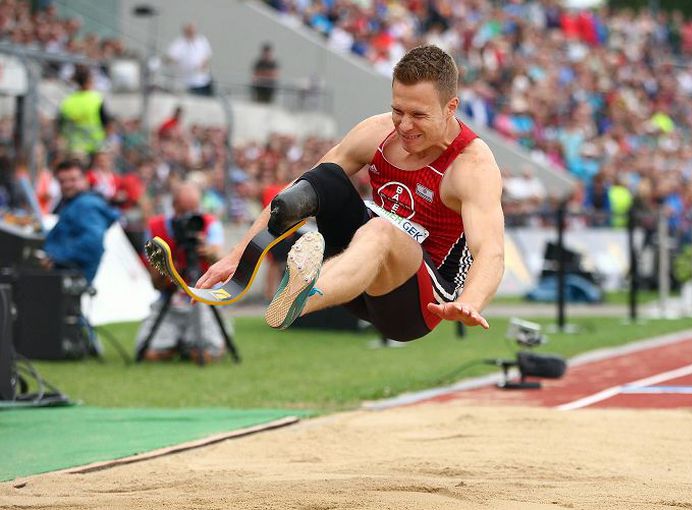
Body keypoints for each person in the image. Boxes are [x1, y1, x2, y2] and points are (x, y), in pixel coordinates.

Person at [197, 45, 504, 342]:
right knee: (325, 177)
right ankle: (289, 283)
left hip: (415, 306)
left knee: (383, 231)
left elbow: (491, 251)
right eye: (398, 110)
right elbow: (302, 189)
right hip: (356, 276)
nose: (405, 125)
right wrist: (238, 255)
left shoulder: (471, 165)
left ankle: (301, 299)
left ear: (451, 108)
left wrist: (471, 302)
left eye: (418, 115)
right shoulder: (378, 132)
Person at [135, 181, 229, 363]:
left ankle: (195, 341)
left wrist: (208, 251)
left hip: (203, 298)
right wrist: (170, 268)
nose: (189, 218)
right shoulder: (156, 228)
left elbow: (223, 261)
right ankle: (182, 341)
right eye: (184, 211)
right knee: (149, 354)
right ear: (173, 206)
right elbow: (155, 283)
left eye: (194, 210)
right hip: (170, 300)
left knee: (208, 354)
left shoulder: (209, 224)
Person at [41, 160, 119, 284]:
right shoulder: (74, 203)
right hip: (67, 279)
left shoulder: (85, 205)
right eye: (62, 181)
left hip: (71, 281)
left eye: (73, 180)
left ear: (85, 179)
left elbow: (93, 243)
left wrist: (55, 256)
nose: (67, 185)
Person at [58, 66, 111, 157]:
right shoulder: (96, 99)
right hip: (95, 146)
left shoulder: (68, 101)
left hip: (74, 147)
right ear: (88, 82)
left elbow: (61, 126)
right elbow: (106, 123)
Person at [166, 23, 213, 96]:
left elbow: (206, 57)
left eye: (193, 32)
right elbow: (171, 58)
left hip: (200, 81)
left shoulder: (202, 41)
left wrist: (202, 65)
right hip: (184, 81)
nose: (192, 34)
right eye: (189, 32)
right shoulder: (179, 43)